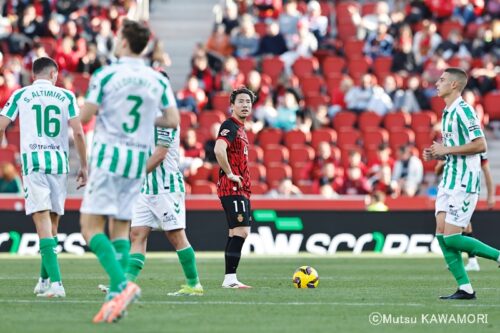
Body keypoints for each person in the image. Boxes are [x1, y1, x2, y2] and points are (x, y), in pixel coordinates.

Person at [79, 19, 179, 323]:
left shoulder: (106, 74)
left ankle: (122, 285)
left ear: (123, 42)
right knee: (120, 229)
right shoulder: (157, 80)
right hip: (137, 161)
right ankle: (114, 298)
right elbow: (172, 119)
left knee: (90, 228)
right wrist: (146, 121)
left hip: (110, 157)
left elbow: (85, 116)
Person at [0, 57, 88, 298]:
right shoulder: (67, 96)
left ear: (32, 74)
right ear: (54, 74)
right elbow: (78, 133)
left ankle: (57, 284)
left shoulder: (20, 94)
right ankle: (43, 280)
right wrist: (84, 166)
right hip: (59, 164)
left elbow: (1, 124)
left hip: (34, 164)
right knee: (52, 223)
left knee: (41, 222)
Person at [423, 67, 500, 300]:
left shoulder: (465, 111)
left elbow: (480, 145)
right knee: (440, 234)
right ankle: (465, 288)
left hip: (464, 181)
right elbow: (456, 149)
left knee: (453, 237)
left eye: (442, 80)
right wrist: (439, 156)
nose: (437, 83)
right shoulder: (447, 112)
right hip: (449, 180)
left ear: (454, 85)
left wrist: (446, 149)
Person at [124, 96, 203, 296]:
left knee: (176, 236)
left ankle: (194, 285)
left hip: (166, 187)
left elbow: (160, 154)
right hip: (147, 188)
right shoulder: (146, 118)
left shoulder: (167, 119)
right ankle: (125, 285)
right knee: (137, 234)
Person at [214, 87, 255, 289]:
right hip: (232, 188)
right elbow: (219, 148)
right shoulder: (229, 126)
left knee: (235, 233)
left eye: (248, 101)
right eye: (240, 101)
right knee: (242, 231)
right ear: (232, 105)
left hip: (241, 188)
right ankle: (230, 279)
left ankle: (230, 278)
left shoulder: (241, 128)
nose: (245, 105)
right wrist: (229, 173)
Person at [435, 152, 496, 271]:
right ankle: (467, 262)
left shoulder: (476, 149)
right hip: (449, 190)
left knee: (462, 228)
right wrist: (444, 162)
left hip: (465, 190)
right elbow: (437, 171)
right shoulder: (449, 145)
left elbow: (486, 171)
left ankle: (472, 261)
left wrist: (490, 195)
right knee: (457, 228)